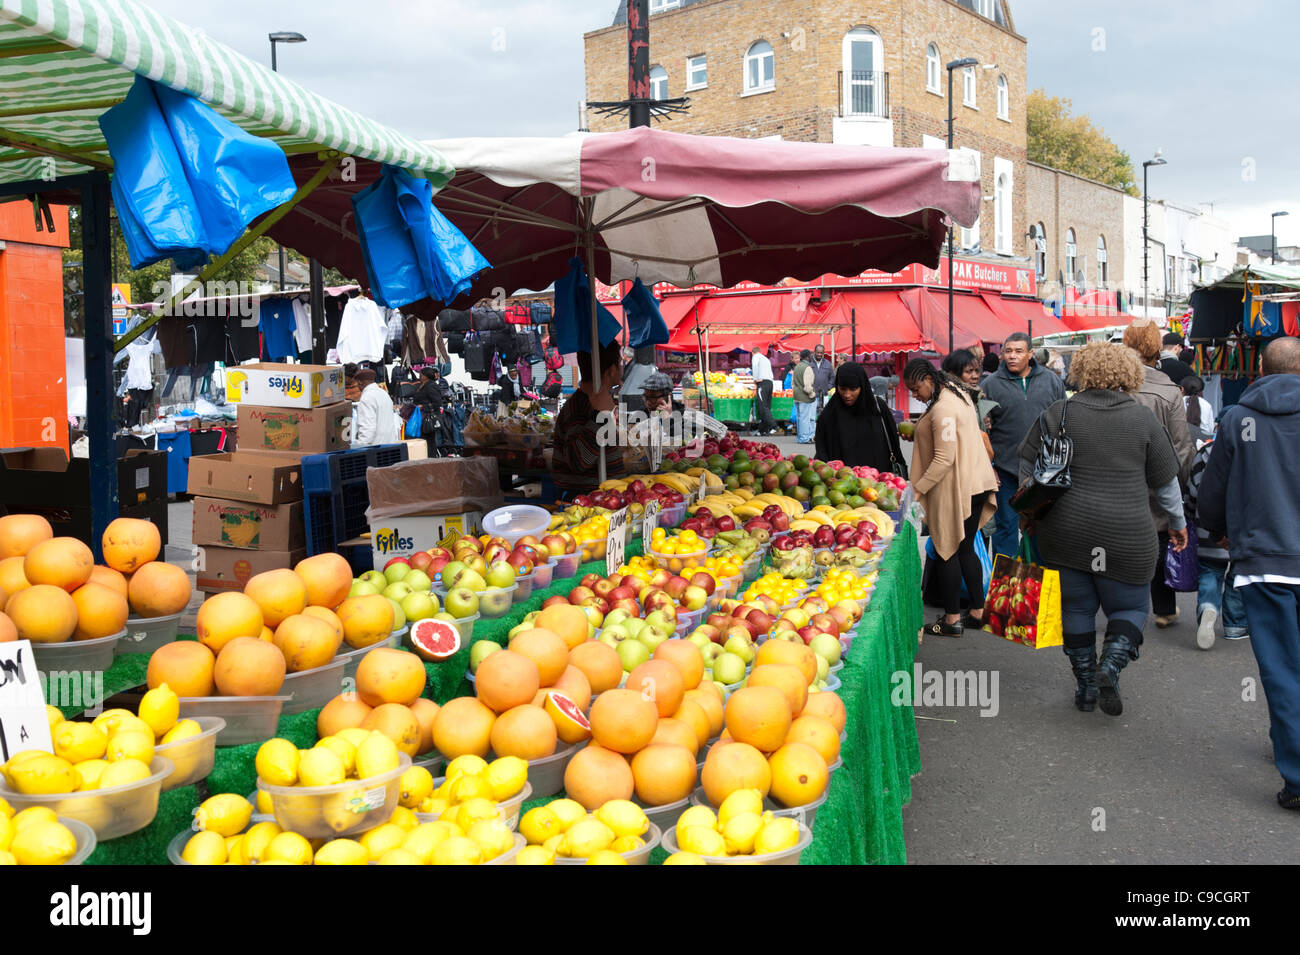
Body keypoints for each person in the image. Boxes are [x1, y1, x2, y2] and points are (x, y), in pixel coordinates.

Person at [1018, 342, 1187, 716]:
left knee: (1076, 608)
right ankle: (1110, 665)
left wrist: (1029, 514)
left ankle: (1086, 686)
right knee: (1130, 605)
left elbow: (1027, 465)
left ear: (1082, 371)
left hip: (1065, 531)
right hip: (1127, 533)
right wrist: (1177, 523)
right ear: (1130, 374)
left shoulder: (1057, 412)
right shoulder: (1143, 419)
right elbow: (1166, 483)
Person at [1198, 337, 1300, 810]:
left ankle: (1297, 774)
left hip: (1264, 565)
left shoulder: (1238, 419)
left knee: (1283, 672)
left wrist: (1217, 530)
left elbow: (1212, 488)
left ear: (1259, 368)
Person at [903, 359, 997, 636]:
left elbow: (944, 458)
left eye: (915, 387)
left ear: (928, 379)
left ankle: (952, 619)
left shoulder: (943, 407)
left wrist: (918, 490)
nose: (913, 394)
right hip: (977, 483)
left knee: (947, 550)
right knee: (966, 548)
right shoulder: (957, 394)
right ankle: (977, 612)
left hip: (957, 487)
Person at [1124, 319, 1196, 628]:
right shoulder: (1168, 390)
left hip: (1120, 478)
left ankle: (1124, 606)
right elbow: (1182, 446)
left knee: (1123, 539)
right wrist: (1179, 481)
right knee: (1162, 538)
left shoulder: (1114, 386)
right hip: (1159, 477)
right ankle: (1164, 608)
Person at [980, 332, 1066, 562]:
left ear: (1030, 354)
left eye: (1018, 351)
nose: (1012, 356)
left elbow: (1063, 421)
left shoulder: (1051, 381)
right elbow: (980, 430)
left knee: (1039, 528)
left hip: (1042, 473)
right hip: (1005, 470)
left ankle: (1037, 583)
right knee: (1005, 529)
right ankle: (1006, 585)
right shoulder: (989, 385)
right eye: (1008, 351)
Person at [1186, 440, 1248, 650]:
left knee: (1210, 571)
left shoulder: (1206, 453)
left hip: (1207, 526)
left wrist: (1188, 516)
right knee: (1239, 574)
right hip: (1243, 526)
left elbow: (1193, 490)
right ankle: (1235, 625)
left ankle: (1207, 607)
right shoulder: (1251, 448)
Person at [551, 339, 625, 498]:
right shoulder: (581, 407)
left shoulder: (595, 403)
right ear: (611, 370)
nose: (621, 367)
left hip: (604, 499)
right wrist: (599, 415)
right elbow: (577, 461)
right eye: (619, 362)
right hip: (584, 504)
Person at [815, 362, 907, 473]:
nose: (847, 395)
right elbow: (821, 452)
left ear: (862, 386)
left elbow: (894, 444)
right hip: (841, 485)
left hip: (880, 484)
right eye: (843, 389)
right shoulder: (829, 414)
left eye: (853, 389)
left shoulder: (878, 408)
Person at [352, 368, 399, 447]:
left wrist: (359, 446)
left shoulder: (366, 398)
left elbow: (367, 428)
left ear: (359, 382)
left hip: (375, 447)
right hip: (389, 444)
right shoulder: (384, 393)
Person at [750, 345, 777, 435]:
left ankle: (774, 426)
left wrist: (756, 379)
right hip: (770, 382)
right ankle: (763, 430)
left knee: (763, 407)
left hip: (762, 383)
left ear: (753, 353)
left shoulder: (755, 357)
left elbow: (755, 367)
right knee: (767, 406)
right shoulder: (766, 359)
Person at [791, 349, 817, 444]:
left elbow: (792, 383)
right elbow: (807, 386)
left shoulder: (797, 367)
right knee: (805, 418)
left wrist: (796, 390)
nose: (812, 357)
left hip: (796, 395)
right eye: (810, 355)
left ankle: (800, 437)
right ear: (807, 356)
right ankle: (805, 438)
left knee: (799, 418)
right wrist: (812, 394)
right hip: (805, 396)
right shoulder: (807, 368)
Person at [1180, 375, 1215, 444]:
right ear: (1201, 390)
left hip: (1182, 444)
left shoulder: (1177, 403)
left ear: (1182, 389)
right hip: (1203, 444)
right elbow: (1211, 429)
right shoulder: (1207, 405)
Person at [810, 345, 835, 413]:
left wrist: (828, 387)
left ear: (823, 353)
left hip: (824, 395)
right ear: (814, 352)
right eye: (818, 352)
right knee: (812, 415)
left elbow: (832, 377)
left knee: (824, 414)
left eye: (821, 353)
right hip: (812, 395)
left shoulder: (828, 364)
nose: (819, 354)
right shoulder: (809, 363)